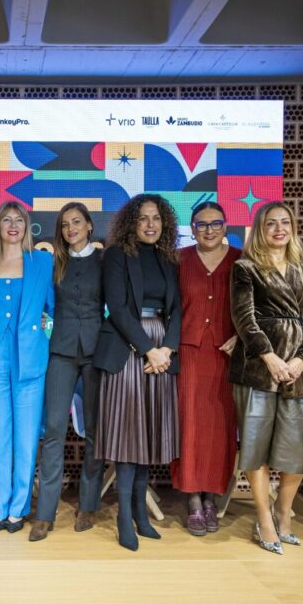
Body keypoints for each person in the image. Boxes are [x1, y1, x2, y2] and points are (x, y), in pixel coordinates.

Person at [229, 202, 303, 555]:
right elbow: (244, 319)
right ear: (261, 228)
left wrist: (302, 360)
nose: (279, 229)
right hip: (256, 370)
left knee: (295, 450)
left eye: (285, 223)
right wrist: (269, 358)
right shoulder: (245, 268)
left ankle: (284, 512)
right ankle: (264, 518)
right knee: (255, 448)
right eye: (271, 223)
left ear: (293, 228)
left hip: (301, 374)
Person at [93, 194, 181, 551]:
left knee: (150, 436)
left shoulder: (169, 259)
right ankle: (122, 518)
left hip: (162, 348)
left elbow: (179, 309)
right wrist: (148, 349)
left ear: (165, 224)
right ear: (131, 222)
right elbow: (116, 308)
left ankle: (142, 516)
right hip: (132, 348)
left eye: (156, 218)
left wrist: (167, 350)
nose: (150, 224)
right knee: (129, 439)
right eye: (143, 218)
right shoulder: (116, 255)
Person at [0, 201, 54, 533]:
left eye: (19, 220)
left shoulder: (42, 262)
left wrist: (41, 337)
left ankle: (18, 509)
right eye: (6, 219)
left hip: (30, 359)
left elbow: (53, 311)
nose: (13, 225)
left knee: (27, 434)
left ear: (27, 226)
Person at [31, 202, 105, 542]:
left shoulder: (105, 262)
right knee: (55, 430)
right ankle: (45, 513)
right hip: (59, 351)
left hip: (95, 353)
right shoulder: (53, 263)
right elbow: (45, 307)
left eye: (77, 222)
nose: (70, 229)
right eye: (64, 225)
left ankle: (88, 505)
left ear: (89, 226)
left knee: (94, 431)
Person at [170, 202, 241, 536]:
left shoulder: (241, 260)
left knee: (221, 429)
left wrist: (241, 336)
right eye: (201, 224)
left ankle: (213, 495)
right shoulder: (178, 260)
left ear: (226, 227)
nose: (209, 230)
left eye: (216, 223)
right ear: (192, 228)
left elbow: (256, 306)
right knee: (190, 427)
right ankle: (194, 499)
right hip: (188, 355)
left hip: (227, 357)